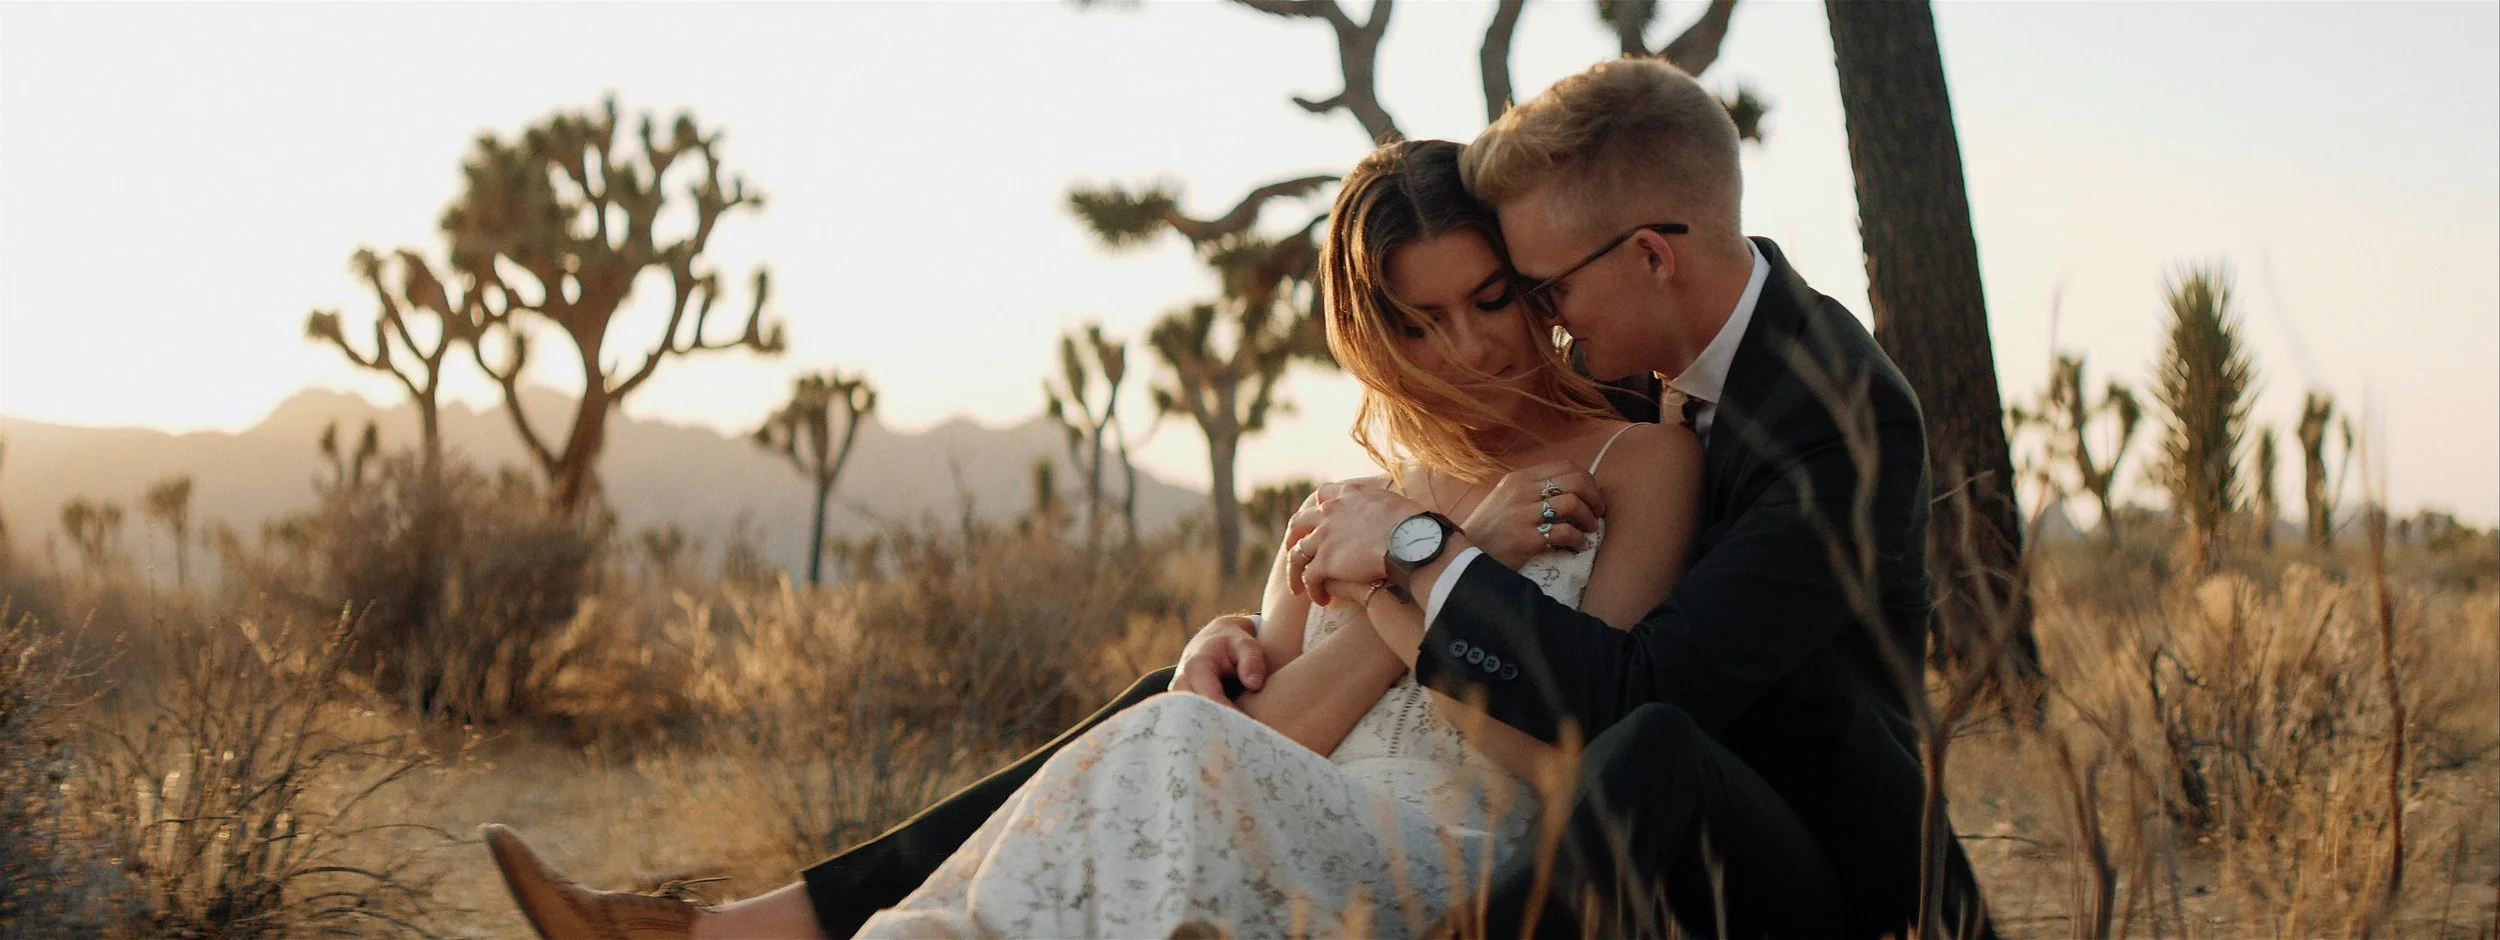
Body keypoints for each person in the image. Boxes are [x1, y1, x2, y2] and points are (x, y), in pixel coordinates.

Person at [482, 137, 1704, 938]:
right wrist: (1410, 563)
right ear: (1375, 334)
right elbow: (1259, 733)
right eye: (1422, 322)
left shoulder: (1637, 463)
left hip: (1449, 854)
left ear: (1531, 284)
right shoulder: (1350, 500)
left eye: (1491, 300)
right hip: (1273, 813)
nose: (1473, 349)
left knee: (1153, 761)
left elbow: (1569, 744)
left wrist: (1423, 564)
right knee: (1134, 796)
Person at [1277, 57, 1999, 937]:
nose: (1544, 320)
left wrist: (1420, 548)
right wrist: (1226, 644)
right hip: (1632, 832)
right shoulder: (1620, 361)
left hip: (1810, 855)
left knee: (1651, 747)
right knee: (1180, 710)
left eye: (1549, 289)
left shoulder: (1842, 416)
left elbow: (1641, 688)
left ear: (1652, 255)